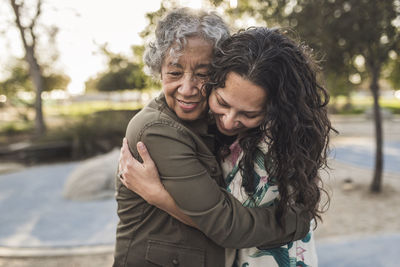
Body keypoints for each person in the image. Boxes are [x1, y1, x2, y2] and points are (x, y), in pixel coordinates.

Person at [118, 26, 335, 266]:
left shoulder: (271, 145)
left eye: (248, 113)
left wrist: (159, 196)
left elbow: (227, 225)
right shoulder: (166, 127)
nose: (229, 121)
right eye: (222, 102)